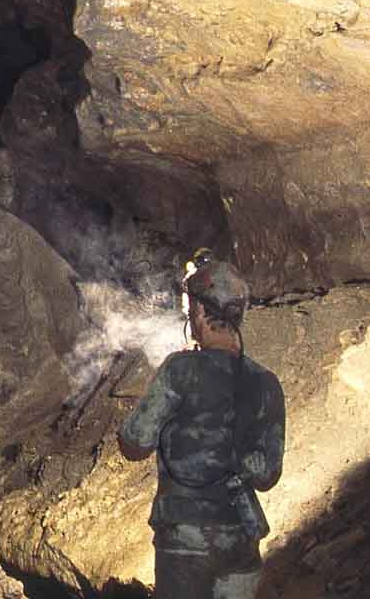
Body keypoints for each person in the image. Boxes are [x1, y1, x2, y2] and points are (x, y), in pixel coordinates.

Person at [118, 254, 285, 599]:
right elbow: (267, 475)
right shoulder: (266, 383)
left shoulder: (180, 370)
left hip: (184, 544)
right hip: (240, 540)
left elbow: (134, 443)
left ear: (199, 314)